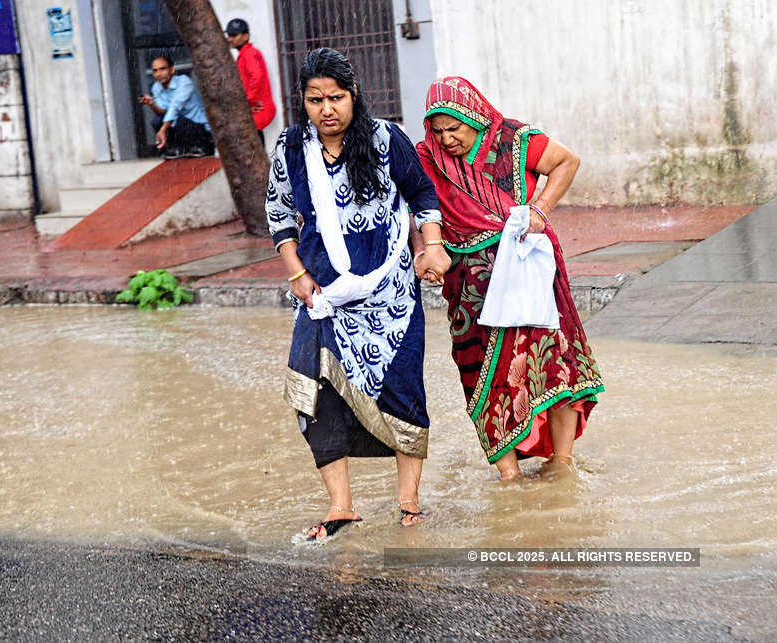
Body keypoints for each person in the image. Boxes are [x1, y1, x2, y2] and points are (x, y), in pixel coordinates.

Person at [265, 48, 443, 541]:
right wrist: (296, 273)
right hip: (323, 295)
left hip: (392, 298)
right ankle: (341, 506)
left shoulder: (386, 139)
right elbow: (278, 213)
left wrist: (431, 247)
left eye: (336, 98)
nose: (327, 109)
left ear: (354, 96)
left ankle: (408, 499)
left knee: (403, 392)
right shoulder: (291, 148)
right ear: (302, 101)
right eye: (315, 99)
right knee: (314, 395)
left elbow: (422, 195)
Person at [415, 76, 604, 482]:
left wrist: (540, 209)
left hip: (530, 266)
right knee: (482, 371)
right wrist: (427, 250)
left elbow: (566, 162)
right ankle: (509, 477)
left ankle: (563, 462)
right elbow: (422, 206)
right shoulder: (427, 158)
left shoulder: (512, 140)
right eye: (438, 130)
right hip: (470, 284)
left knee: (554, 362)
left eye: (455, 129)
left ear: (475, 118)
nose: (447, 140)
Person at [139, 54, 215, 159]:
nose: (159, 74)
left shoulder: (184, 82)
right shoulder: (156, 87)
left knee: (177, 120)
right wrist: (152, 104)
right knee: (157, 121)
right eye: (155, 71)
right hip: (180, 126)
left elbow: (175, 107)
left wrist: (163, 129)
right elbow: (163, 112)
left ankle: (201, 146)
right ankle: (176, 148)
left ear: (172, 70)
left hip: (198, 127)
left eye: (162, 69)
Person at [225, 18, 276, 146]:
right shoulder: (246, 54)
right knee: (254, 145)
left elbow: (257, 76)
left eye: (234, 35)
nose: (230, 39)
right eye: (229, 35)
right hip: (256, 110)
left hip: (259, 109)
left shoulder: (249, 54)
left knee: (254, 146)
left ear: (246, 36)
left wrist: (249, 100)